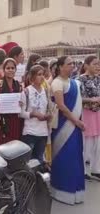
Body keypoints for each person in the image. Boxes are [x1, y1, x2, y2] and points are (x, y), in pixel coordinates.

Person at [51, 56, 85, 205]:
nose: (73, 66)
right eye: (69, 64)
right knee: (64, 157)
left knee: (76, 156)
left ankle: (76, 191)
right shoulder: (57, 83)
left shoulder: (75, 83)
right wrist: (76, 121)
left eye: (73, 64)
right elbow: (61, 106)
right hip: (63, 126)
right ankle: (61, 191)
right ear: (60, 67)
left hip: (75, 126)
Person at [20, 65, 52, 162]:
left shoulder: (45, 91)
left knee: (39, 160)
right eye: (39, 74)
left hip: (43, 133)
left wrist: (48, 115)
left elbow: (47, 109)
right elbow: (20, 114)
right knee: (28, 161)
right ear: (32, 76)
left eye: (43, 74)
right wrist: (33, 114)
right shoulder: (26, 91)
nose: (42, 77)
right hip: (30, 132)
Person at [0, 58, 22, 149]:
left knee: (12, 148)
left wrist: (21, 103)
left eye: (12, 68)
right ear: (4, 70)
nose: (10, 70)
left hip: (14, 121)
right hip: (0, 121)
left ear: (15, 70)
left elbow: (22, 103)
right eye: (8, 68)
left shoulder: (18, 85)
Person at [78, 56, 100, 180]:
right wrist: (91, 100)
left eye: (99, 64)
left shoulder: (98, 79)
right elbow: (78, 98)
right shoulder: (80, 80)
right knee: (87, 142)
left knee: (98, 142)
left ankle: (96, 169)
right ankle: (84, 170)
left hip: (97, 113)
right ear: (86, 65)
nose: (98, 66)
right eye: (95, 64)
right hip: (86, 113)